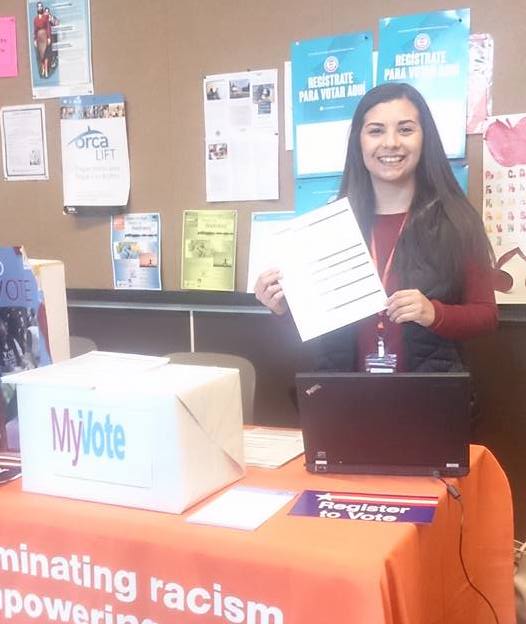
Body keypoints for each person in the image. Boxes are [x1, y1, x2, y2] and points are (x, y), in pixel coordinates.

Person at [254, 82, 497, 373]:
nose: (391, 143)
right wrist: (280, 309)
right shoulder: (328, 228)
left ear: (425, 139)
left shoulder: (456, 220)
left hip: (429, 404)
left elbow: (486, 316)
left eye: (405, 129)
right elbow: (312, 332)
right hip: (346, 402)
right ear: (359, 141)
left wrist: (434, 313)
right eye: (376, 131)